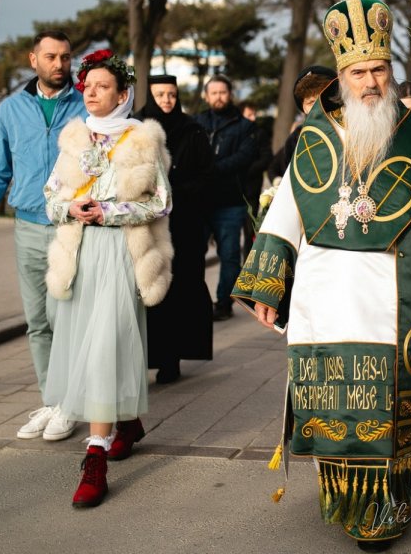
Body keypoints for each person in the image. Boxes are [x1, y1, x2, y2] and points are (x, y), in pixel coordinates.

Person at [232, 0, 411, 551]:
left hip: (389, 296)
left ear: (392, 71)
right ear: (342, 74)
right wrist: (268, 284)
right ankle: (344, 496)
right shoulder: (315, 133)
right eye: (359, 71)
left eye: (379, 69)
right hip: (324, 291)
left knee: (388, 399)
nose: (370, 81)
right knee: (334, 403)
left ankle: (387, 505)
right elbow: (289, 205)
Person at [42, 51, 173, 508]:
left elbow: (161, 203)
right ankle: (129, 421)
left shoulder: (142, 139)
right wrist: (70, 208)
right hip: (79, 254)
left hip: (119, 253)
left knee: (105, 347)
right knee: (86, 345)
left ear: (123, 94)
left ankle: (94, 458)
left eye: (102, 86)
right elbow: (51, 197)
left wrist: (111, 210)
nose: (91, 92)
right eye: (88, 85)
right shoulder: (74, 137)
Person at [0, 30, 86, 442]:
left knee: (64, 318)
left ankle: (70, 404)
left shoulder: (85, 106)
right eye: (51, 57)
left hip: (74, 229)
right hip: (28, 227)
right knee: (37, 322)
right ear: (32, 59)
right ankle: (52, 401)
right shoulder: (11, 110)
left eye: (66, 58)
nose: (60, 64)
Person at [135, 74, 214, 384]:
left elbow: (208, 175)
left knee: (181, 290)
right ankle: (144, 357)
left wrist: (175, 192)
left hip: (185, 224)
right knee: (148, 290)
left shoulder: (192, 130)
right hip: (149, 225)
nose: (166, 100)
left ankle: (172, 359)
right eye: (160, 94)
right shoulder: (136, 128)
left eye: (171, 94)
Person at [194, 74, 257, 320]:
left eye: (223, 92)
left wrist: (210, 169)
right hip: (200, 202)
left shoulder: (245, 126)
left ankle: (223, 303)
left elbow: (244, 158)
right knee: (194, 254)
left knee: (230, 255)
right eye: (214, 93)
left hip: (230, 202)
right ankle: (197, 303)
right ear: (206, 96)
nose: (218, 97)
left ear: (230, 95)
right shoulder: (197, 123)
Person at [268, 64, 337, 180]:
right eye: (311, 102)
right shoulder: (295, 138)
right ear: (303, 108)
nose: (318, 107)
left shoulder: (350, 130)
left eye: (322, 99)